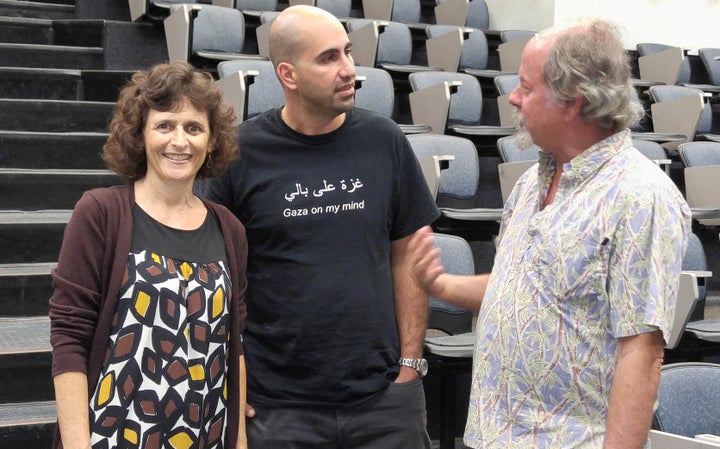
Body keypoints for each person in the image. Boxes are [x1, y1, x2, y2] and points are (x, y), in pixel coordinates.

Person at [408, 18, 692, 449]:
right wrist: (442, 284)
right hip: (493, 436)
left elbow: (643, 352)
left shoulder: (639, 198)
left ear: (573, 101)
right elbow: (526, 291)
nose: (513, 98)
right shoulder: (529, 184)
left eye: (526, 86)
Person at [203, 5, 440, 448]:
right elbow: (214, 273)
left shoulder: (383, 139)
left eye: (348, 52)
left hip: (384, 401)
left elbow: (411, 252)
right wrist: (228, 377)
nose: (349, 69)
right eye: (329, 58)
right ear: (288, 75)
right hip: (278, 408)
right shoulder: (240, 153)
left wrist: (410, 365)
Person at [49, 61, 249, 449]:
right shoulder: (101, 213)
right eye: (164, 126)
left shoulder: (230, 229)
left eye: (193, 128)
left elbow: (233, 347)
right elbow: (69, 339)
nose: (180, 141)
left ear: (211, 141)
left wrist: (239, 440)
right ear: (140, 135)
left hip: (203, 435)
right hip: (113, 435)